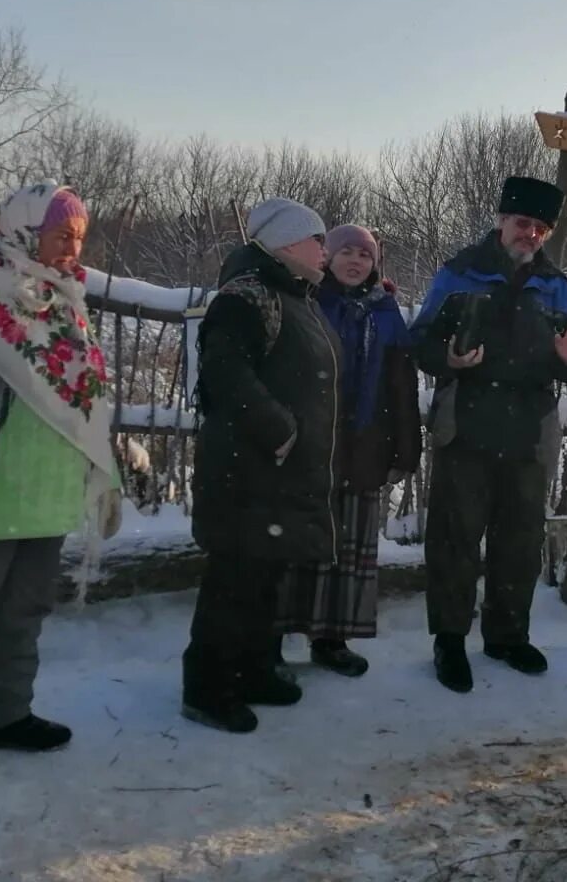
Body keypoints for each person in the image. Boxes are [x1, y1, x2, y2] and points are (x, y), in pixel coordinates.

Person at [0, 183, 131, 789]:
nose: (72, 244)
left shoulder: (63, 297)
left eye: (79, 235)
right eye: (61, 231)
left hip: (48, 486)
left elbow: (87, 397)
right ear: (23, 229)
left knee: (24, 611)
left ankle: (3, 713)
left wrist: (103, 471)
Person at [413, 176, 567, 694]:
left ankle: (507, 635)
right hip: (466, 425)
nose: (530, 234)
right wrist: (446, 358)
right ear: (500, 221)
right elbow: (421, 340)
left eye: (540, 228)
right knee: (455, 541)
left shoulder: (558, 286)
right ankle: (449, 639)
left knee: (519, 542)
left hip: (530, 433)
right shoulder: (460, 272)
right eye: (522, 223)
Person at [183, 198, 339, 733]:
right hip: (247, 469)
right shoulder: (246, 296)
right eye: (317, 239)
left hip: (280, 471)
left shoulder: (292, 296)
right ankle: (208, 688)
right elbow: (225, 374)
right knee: (235, 579)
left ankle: (251, 669)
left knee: (264, 578)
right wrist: (280, 429)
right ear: (285, 243)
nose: (325, 249)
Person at [273, 223, 422, 677]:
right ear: (328, 257)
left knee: (350, 544)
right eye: (347, 253)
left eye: (365, 254)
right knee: (301, 541)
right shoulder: (310, 302)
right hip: (314, 444)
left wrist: (406, 445)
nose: (357, 261)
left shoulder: (385, 312)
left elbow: (402, 384)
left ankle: (332, 639)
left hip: (366, 444)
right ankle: (274, 638)